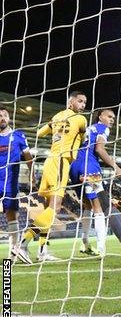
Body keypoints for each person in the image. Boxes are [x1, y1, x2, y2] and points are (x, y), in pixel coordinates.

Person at [18, 90, 88, 262]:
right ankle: (23, 243)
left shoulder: (57, 117)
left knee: (49, 208)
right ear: (71, 102)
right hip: (62, 162)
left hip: (50, 161)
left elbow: (39, 133)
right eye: (80, 101)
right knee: (55, 208)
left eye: (85, 102)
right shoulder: (81, 119)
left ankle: (42, 251)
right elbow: (85, 138)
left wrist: (56, 129)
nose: (83, 105)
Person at [69, 109, 121, 256]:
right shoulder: (102, 128)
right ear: (100, 116)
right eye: (109, 116)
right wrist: (116, 167)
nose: (112, 119)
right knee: (98, 206)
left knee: (87, 205)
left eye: (114, 117)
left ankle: (85, 242)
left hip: (74, 167)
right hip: (90, 167)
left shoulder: (88, 128)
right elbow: (99, 149)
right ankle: (101, 248)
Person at [0, 107, 36, 262]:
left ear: (9, 118)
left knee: (11, 216)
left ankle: (12, 254)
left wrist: (32, 174)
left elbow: (28, 156)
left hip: (9, 184)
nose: (2, 118)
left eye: (4, 115)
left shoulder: (18, 135)